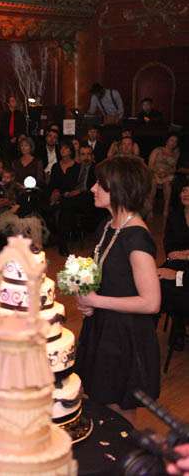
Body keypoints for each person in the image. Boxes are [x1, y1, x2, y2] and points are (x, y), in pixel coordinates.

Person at [75, 155, 161, 423]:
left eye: (100, 184)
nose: (93, 188)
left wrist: (96, 301)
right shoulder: (108, 226)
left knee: (119, 412)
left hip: (124, 334)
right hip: (103, 326)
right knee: (98, 401)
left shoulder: (136, 237)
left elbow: (151, 302)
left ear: (119, 188)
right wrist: (86, 299)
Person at [157, 178, 189, 350]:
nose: (186, 194)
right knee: (158, 279)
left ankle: (178, 327)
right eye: (183, 190)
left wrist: (185, 255)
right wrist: (174, 255)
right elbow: (168, 242)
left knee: (178, 283)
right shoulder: (175, 215)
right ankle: (148, 327)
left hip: (185, 268)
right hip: (176, 262)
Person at [47, 140, 81, 256]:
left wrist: (66, 193)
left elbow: (77, 186)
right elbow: (52, 184)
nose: (62, 150)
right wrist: (55, 191)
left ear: (71, 150)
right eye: (61, 148)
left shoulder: (77, 167)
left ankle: (63, 243)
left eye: (66, 148)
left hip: (70, 197)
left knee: (66, 207)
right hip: (58, 195)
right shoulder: (56, 166)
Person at [148, 134, 180, 221]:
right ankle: (150, 209)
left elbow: (174, 168)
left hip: (167, 174)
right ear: (167, 141)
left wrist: (166, 173)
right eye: (171, 140)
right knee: (153, 181)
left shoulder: (176, 153)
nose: (173, 143)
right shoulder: (158, 150)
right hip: (155, 172)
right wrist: (158, 172)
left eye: (175, 141)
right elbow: (150, 164)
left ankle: (166, 208)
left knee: (168, 183)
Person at [0, 95, 25, 160]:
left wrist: (16, 137)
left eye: (15, 101)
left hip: (17, 139)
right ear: (8, 104)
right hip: (6, 139)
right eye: (12, 101)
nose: (14, 102)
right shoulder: (4, 115)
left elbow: (22, 127)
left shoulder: (20, 114)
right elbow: (2, 128)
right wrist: (9, 138)